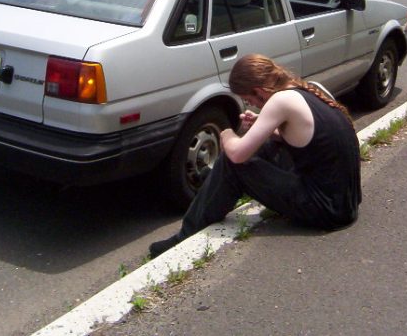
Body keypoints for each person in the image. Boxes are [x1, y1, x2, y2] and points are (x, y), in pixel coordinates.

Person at [149, 53, 362, 258]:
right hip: (345, 203)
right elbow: (300, 139)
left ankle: (186, 235)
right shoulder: (305, 89)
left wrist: (226, 133)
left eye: (249, 99)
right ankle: (216, 182)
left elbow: (238, 155)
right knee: (265, 144)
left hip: (326, 210)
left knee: (231, 162)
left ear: (259, 91)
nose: (252, 105)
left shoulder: (280, 102)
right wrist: (263, 125)